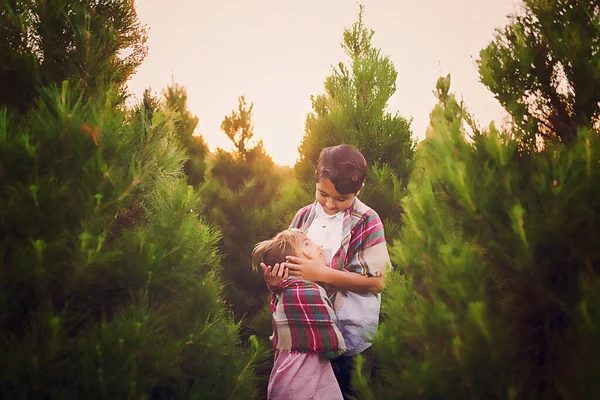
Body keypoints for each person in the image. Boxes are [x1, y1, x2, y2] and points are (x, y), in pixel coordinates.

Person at [262, 144, 392, 399]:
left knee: (350, 392)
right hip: (308, 340)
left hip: (351, 337)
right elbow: (290, 272)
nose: (330, 204)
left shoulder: (367, 220)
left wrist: (321, 273)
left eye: (341, 199)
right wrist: (276, 281)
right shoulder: (303, 218)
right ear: (316, 179)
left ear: (359, 189)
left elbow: (379, 282)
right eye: (323, 194)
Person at [252, 228, 346, 400]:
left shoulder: (285, 290)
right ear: (292, 261)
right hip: (306, 377)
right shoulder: (310, 291)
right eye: (308, 243)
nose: (319, 246)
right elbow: (330, 346)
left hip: (285, 374)